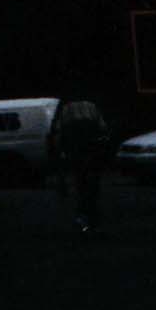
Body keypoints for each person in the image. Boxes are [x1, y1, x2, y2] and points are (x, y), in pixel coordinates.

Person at [54, 93, 109, 233]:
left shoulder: (67, 109)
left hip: (76, 151)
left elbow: (59, 132)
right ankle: (92, 215)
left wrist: (61, 150)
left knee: (81, 183)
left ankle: (83, 215)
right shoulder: (91, 107)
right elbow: (102, 128)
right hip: (92, 151)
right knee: (93, 184)